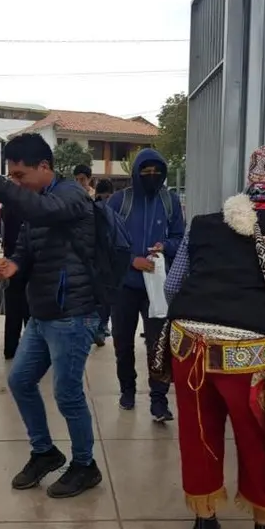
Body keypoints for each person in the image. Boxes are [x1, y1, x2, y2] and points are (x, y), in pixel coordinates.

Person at [163, 144, 265, 529]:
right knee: (257, 438)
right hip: (250, 352)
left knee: (198, 433)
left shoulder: (204, 223)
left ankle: (203, 524)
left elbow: (172, 285)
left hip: (188, 342)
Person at [0, 133, 102, 499]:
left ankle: (85, 465)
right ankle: (44, 452)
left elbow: (43, 214)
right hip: (43, 312)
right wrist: (14, 263)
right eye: (10, 177)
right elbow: (26, 245)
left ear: (44, 167)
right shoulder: (38, 201)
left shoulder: (70, 196)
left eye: (19, 175)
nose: (16, 183)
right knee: (21, 382)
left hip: (73, 313)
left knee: (67, 393)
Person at [106, 149, 184, 420]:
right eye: (146, 172)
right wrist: (132, 260)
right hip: (124, 287)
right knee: (123, 342)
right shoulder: (119, 201)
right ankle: (127, 389)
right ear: (136, 173)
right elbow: (105, 242)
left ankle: (159, 400)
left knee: (158, 345)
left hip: (157, 288)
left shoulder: (170, 201)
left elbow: (180, 238)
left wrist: (166, 246)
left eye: (157, 172)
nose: (152, 177)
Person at [0, 201, 29, 359]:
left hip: (11, 259)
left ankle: (10, 348)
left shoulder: (8, 206)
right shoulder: (31, 205)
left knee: (13, 309)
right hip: (28, 263)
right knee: (29, 309)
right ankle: (30, 349)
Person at [92, 178, 116, 345]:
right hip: (103, 260)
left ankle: (100, 327)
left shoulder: (92, 208)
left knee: (104, 298)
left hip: (103, 260)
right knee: (103, 297)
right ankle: (100, 328)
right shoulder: (108, 210)